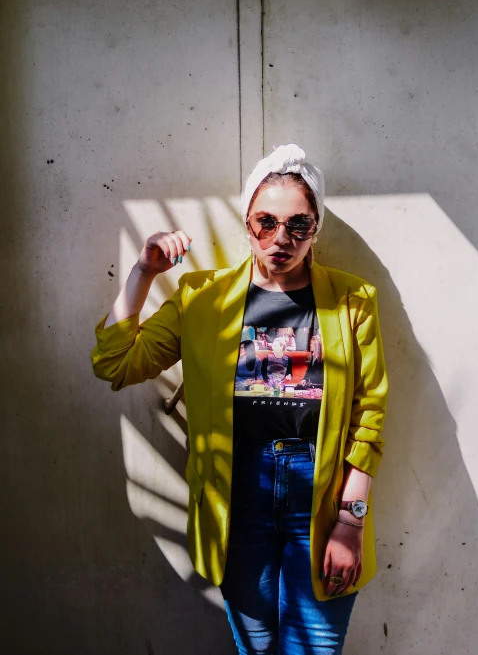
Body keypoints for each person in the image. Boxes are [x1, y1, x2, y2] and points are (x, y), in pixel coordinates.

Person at [91, 143, 389, 655]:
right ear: (247, 222)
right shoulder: (201, 299)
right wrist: (143, 272)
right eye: (265, 222)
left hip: (318, 497)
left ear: (315, 228)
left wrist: (350, 520)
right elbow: (115, 363)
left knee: (316, 648)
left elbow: (368, 414)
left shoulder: (352, 301)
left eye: (298, 224)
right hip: (235, 496)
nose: (281, 239)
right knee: (256, 647)